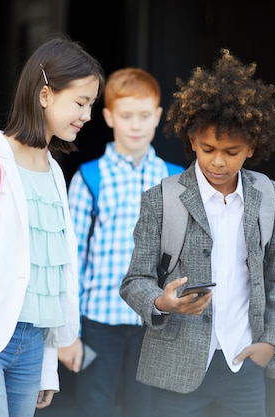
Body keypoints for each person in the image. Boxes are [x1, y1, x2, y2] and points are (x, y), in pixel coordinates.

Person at [0, 34, 105, 417]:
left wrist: (47, 368)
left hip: (31, 346)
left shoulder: (55, 173)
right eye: (80, 102)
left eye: (91, 105)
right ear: (45, 94)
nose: (87, 116)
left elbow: (50, 278)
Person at [119, 49, 275, 417]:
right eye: (207, 149)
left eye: (232, 152)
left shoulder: (271, 198)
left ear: (252, 146)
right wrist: (162, 302)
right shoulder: (161, 199)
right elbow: (135, 280)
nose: (218, 161)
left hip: (244, 364)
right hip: (176, 368)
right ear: (191, 140)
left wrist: (271, 344)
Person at [57, 67, 184, 417]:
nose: (136, 125)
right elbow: (72, 258)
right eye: (126, 116)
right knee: (94, 406)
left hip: (155, 323)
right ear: (109, 116)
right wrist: (68, 332)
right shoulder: (89, 177)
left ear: (158, 116)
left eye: (145, 116)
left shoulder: (175, 180)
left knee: (149, 408)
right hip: (99, 322)